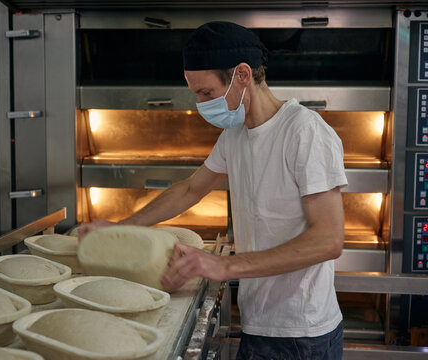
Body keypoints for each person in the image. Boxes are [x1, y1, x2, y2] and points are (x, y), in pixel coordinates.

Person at [79, 21, 347, 359]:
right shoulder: (235, 136)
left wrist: (225, 266)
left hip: (303, 334)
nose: (200, 103)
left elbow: (328, 240)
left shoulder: (304, 132)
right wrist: (119, 229)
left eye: (205, 93)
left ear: (243, 75)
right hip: (257, 321)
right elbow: (191, 189)